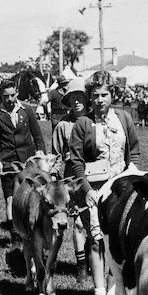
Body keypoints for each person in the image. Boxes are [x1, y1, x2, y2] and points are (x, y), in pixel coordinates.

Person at [69, 70, 140, 295]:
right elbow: (76, 162)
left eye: (105, 95)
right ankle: (99, 291)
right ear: (90, 97)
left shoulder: (124, 118)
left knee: (121, 239)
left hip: (122, 188)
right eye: (96, 95)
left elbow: (135, 151)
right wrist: (87, 189)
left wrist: (133, 176)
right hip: (95, 190)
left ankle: (114, 286)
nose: (100, 100)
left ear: (112, 95)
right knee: (98, 240)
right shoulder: (83, 124)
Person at [0, 79, 45, 243]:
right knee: (10, 199)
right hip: (7, 162)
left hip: (28, 162)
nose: (10, 99)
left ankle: (33, 232)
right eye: (6, 96)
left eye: (13, 95)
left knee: (32, 197)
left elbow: (38, 136)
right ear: (1, 96)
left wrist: (41, 156)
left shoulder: (27, 110)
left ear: (17, 93)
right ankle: (15, 237)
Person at [51, 77, 89, 283]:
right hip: (71, 178)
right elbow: (56, 156)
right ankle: (81, 265)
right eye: (72, 98)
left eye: (80, 97)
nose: (76, 102)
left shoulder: (95, 122)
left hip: (94, 176)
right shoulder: (63, 126)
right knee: (79, 223)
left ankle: (96, 261)